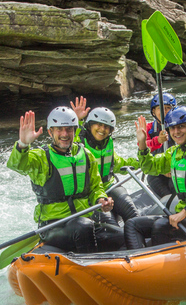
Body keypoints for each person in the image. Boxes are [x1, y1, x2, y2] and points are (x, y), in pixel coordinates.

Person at [7, 106, 115, 253]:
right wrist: (23, 144)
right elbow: (17, 165)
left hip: (85, 221)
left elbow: (96, 187)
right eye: (59, 129)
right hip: (54, 226)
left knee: (119, 236)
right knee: (82, 226)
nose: (65, 134)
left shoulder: (86, 154)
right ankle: (89, 269)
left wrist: (101, 199)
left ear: (75, 130)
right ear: (50, 132)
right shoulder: (41, 157)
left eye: (69, 129)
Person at [123, 106, 186, 249]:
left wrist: (184, 212)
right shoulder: (175, 152)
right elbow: (149, 167)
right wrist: (142, 144)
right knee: (133, 224)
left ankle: (158, 264)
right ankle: (137, 263)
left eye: (181, 127)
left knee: (161, 226)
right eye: (172, 128)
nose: (176, 132)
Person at [76, 105, 140, 231]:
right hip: (91, 195)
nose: (102, 129)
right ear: (90, 125)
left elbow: (117, 163)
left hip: (109, 187)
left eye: (106, 127)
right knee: (111, 226)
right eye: (98, 125)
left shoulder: (107, 143)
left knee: (132, 212)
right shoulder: (78, 144)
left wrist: (142, 163)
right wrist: (77, 120)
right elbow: (67, 143)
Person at [144, 92, 178, 198]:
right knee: (153, 179)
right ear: (153, 111)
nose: (164, 112)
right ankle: (167, 202)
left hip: (177, 169)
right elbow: (144, 148)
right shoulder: (149, 128)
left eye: (168, 108)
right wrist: (158, 140)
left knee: (175, 188)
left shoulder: (178, 126)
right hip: (157, 171)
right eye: (160, 108)